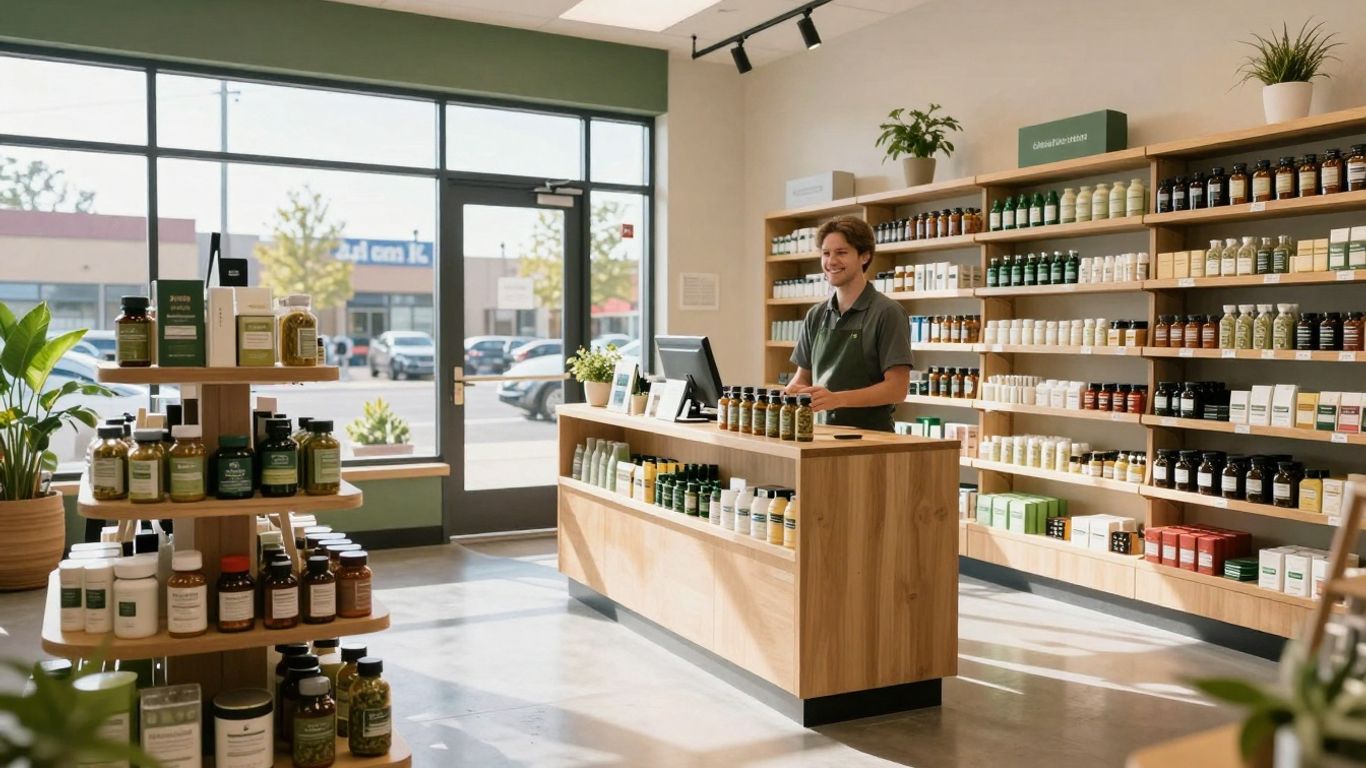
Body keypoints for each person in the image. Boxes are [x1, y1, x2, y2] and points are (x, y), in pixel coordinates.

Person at [786, 216, 912, 432]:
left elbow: (897, 388)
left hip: (870, 438)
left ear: (865, 256)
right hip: (819, 435)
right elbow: (802, 378)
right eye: (826, 253)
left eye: (841, 252)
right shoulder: (816, 315)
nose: (831, 261)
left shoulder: (887, 313)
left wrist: (838, 399)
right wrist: (792, 391)